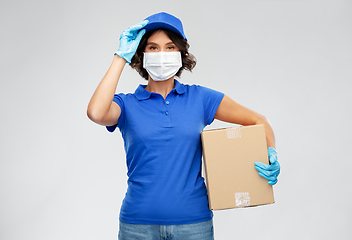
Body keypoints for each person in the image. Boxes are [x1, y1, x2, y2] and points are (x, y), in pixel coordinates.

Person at [87, 12, 280, 240]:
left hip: (194, 225)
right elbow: (96, 113)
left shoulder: (200, 98)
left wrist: (270, 152)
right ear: (141, 54)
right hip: (137, 225)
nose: (162, 54)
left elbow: (260, 121)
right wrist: (120, 57)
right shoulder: (126, 104)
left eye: (170, 47)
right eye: (152, 47)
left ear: (180, 53)